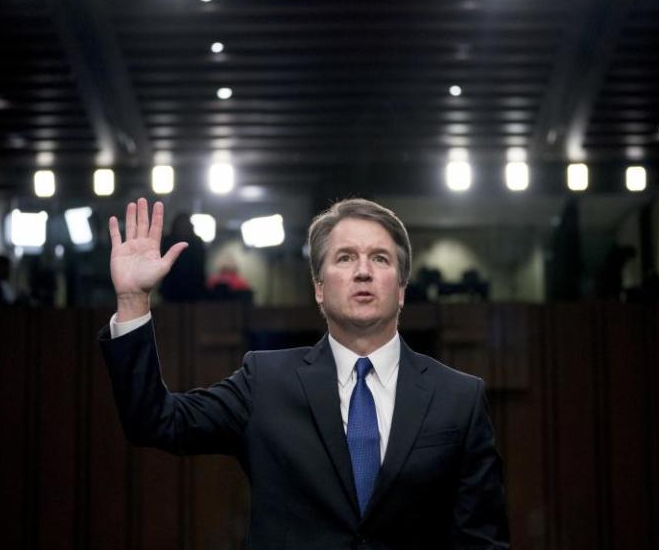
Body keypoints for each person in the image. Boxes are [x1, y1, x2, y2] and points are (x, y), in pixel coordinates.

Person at [99, 197, 510, 549]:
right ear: (318, 287)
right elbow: (155, 421)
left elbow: (483, 540)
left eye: (379, 259)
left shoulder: (459, 397)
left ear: (401, 288)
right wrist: (133, 299)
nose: (362, 271)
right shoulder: (265, 382)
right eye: (345, 257)